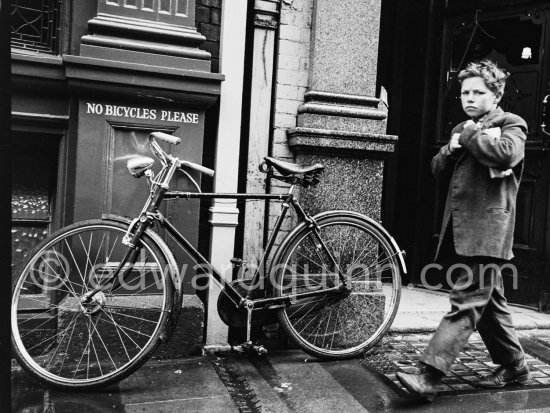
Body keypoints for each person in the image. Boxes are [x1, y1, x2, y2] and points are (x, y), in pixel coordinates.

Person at [396, 59, 530, 401]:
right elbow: (438, 169)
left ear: (496, 94)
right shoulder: (463, 128)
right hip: (464, 230)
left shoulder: (511, 123)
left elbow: (506, 154)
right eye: (464, 92)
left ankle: (429, 376)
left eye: (477, 92)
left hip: (488, 230)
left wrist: (468, 136)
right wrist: (449, 148)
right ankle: (514, 365)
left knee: (467, 303)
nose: (468, 97)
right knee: (489, 303)